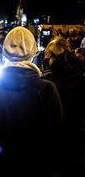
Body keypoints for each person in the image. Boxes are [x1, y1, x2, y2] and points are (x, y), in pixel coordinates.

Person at [0, 26, 64, 177]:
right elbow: (56, 135)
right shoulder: (47, 89)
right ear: (33, 53)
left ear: (4, 52)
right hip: (38, 167)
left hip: (4, 165)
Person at [42, 36, 85, 177]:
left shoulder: (46, 81)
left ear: (53, 57)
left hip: (53, 141)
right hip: (76, 139)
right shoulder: (80, 75)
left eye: (48, 56)